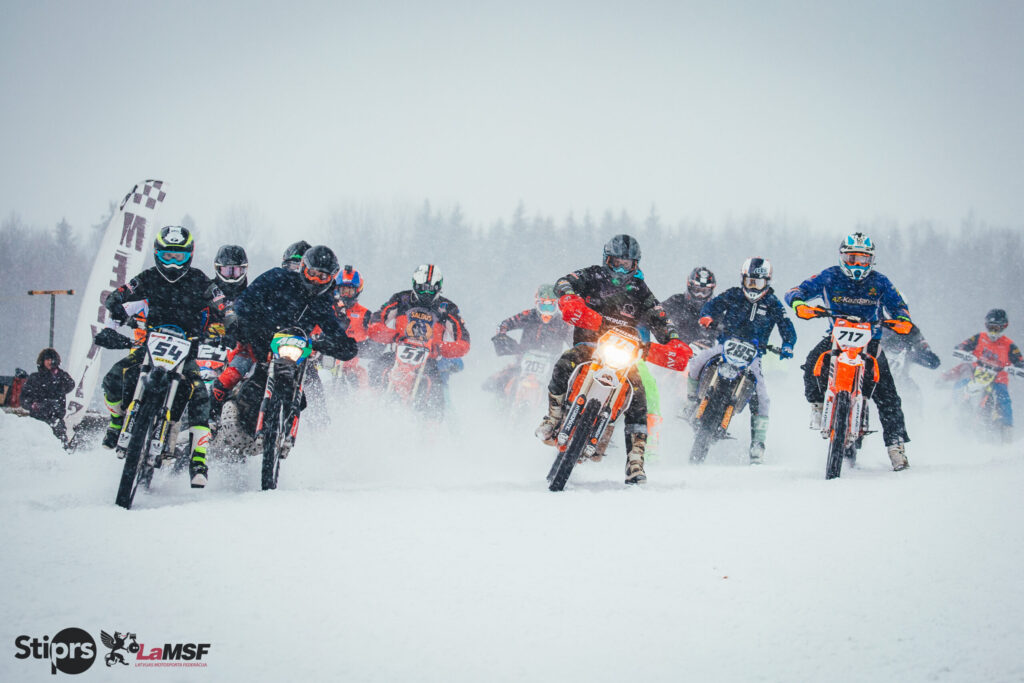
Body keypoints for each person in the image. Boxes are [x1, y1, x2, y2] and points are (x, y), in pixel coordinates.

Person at [534, 234, 691, 485]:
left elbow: (661, 318)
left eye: (626, 264)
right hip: (590, 343)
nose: (620, 268)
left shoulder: (641, 290)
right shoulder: (592, 275)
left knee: (639, 395)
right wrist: (569, 296)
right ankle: (552, 417)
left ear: (635, 265)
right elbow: (564, 282)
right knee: (564, 363)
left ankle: (635, 459)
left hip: (626, 353)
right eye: (616, 262)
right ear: (607, 259)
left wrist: (673, 339)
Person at [99, 225, 228, 488]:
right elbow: (119, 294)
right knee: (114, 377)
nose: (172, 263)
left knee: (201, 396)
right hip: (149, 347)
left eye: (178, 257)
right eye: (167, 256)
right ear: (157, 254)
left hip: (186, 349)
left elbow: (223, 304)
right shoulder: (147, 277)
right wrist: (117, 308)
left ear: (189, 255)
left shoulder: (201, 281)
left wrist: (231, 322)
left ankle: (199, 460)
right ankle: (115, 424)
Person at [784, 231, 913, 471]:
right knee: (812, 362)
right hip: (837, 338)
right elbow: (795, 291)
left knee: (888, 394)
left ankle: (896, 447)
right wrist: (800, 305)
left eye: (863, 259)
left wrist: (902, 319)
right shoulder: (829, 276)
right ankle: (817, 405)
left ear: (871, 260)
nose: (856, 264)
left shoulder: (880, 281)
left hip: (869, 342)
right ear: (842, 257)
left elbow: (899, 306)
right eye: (851, 258)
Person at [211, 245, 358, 415]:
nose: (316, 281)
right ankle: (208, 419)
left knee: (310, 385)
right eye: (313, 274)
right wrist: (240, 324)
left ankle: (317, 425)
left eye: (323, 277)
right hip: (258, 341)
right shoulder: (277, 278)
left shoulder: (323, 302)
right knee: (232, 375)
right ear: (304, 268)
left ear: (331, 278)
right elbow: (244, 302)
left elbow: (334, 328)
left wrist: (340, 345)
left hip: (295, 353)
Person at [683, 258, 796, 463]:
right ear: (743, 279)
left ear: (767, 282)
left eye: (758, 283)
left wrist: (788, 344)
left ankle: (758, 443)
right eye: (750, 281)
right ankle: (691, 400)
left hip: (753, 354)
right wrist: (707, 316)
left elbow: (786, 325)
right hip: (725, 345)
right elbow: (712, 305)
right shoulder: (733, 294)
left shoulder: (773, 303)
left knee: (762, 396)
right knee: (698, 361)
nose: (753, 286)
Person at [367, 264, 471, 418]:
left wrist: (440, 348)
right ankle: (368, 408)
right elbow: (375, 321)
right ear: (415, 284)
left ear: (439, 287)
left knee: (437, 396)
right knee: (376, 367)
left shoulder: (447, 308)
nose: (426, 292)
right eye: (422, 287)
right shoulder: (401, 299)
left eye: (431, 288)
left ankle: (429, 431)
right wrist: (393, 335)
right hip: (399, 351)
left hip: (428, 359)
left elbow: (464, 342)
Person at [484, 284, 572, 397]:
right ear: (537, 304)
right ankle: (498, 408)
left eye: (551, 307)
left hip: (551, 367)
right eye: (543, 306)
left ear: (558, 306)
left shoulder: (563, 323)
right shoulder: (529, 315)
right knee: (496, 383)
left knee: (563, 391)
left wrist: (578, 352)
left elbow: (574, 340)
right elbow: (504, 324)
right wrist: (502, 335)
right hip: (522, 361)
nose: (547, 313)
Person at [948, 309, 1024, 434]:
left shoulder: (1009, 345)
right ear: (986, 325)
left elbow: (1021, 363)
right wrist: (964, 354)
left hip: (998, 378)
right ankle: (953, 409)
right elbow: (960, 347)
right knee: (959, 386)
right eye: (990, 327)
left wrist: (1016, 370)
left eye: (997, 328)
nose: (993, 332)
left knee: (1004, 398)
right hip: (977, 374)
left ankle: (1007, 428)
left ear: (1004, 327)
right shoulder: (979, 338)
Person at [330, 265, 378, 389]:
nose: (346, 295)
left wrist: (366, 346)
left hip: (351, 366)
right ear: (337, 290)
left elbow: (376, 335)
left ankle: (360, 405)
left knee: (362, 375)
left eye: (350, 291)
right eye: (343, 291)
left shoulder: (365, 314)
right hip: (327, 363)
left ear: (357, 291)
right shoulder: (328, 309)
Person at [20, 348, 75, 444]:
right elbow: (24, 398)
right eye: (47, 359)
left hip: (56, 419)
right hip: (37, 420)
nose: (50, 362)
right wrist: (32, 405)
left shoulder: (61, 376)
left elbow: (71, 385)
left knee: (61, 447)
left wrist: (58, 374)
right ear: (42, 361)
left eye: (52, 360)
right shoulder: (34, 378)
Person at [661, 266, 718, 348]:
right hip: (673, 352)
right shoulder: (676, 301)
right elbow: (656, 313)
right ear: (689, 287)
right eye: (697, 290)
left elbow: (725, 335)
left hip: (702, 357)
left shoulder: (715, 311)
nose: (700, 296)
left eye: (704, 291)